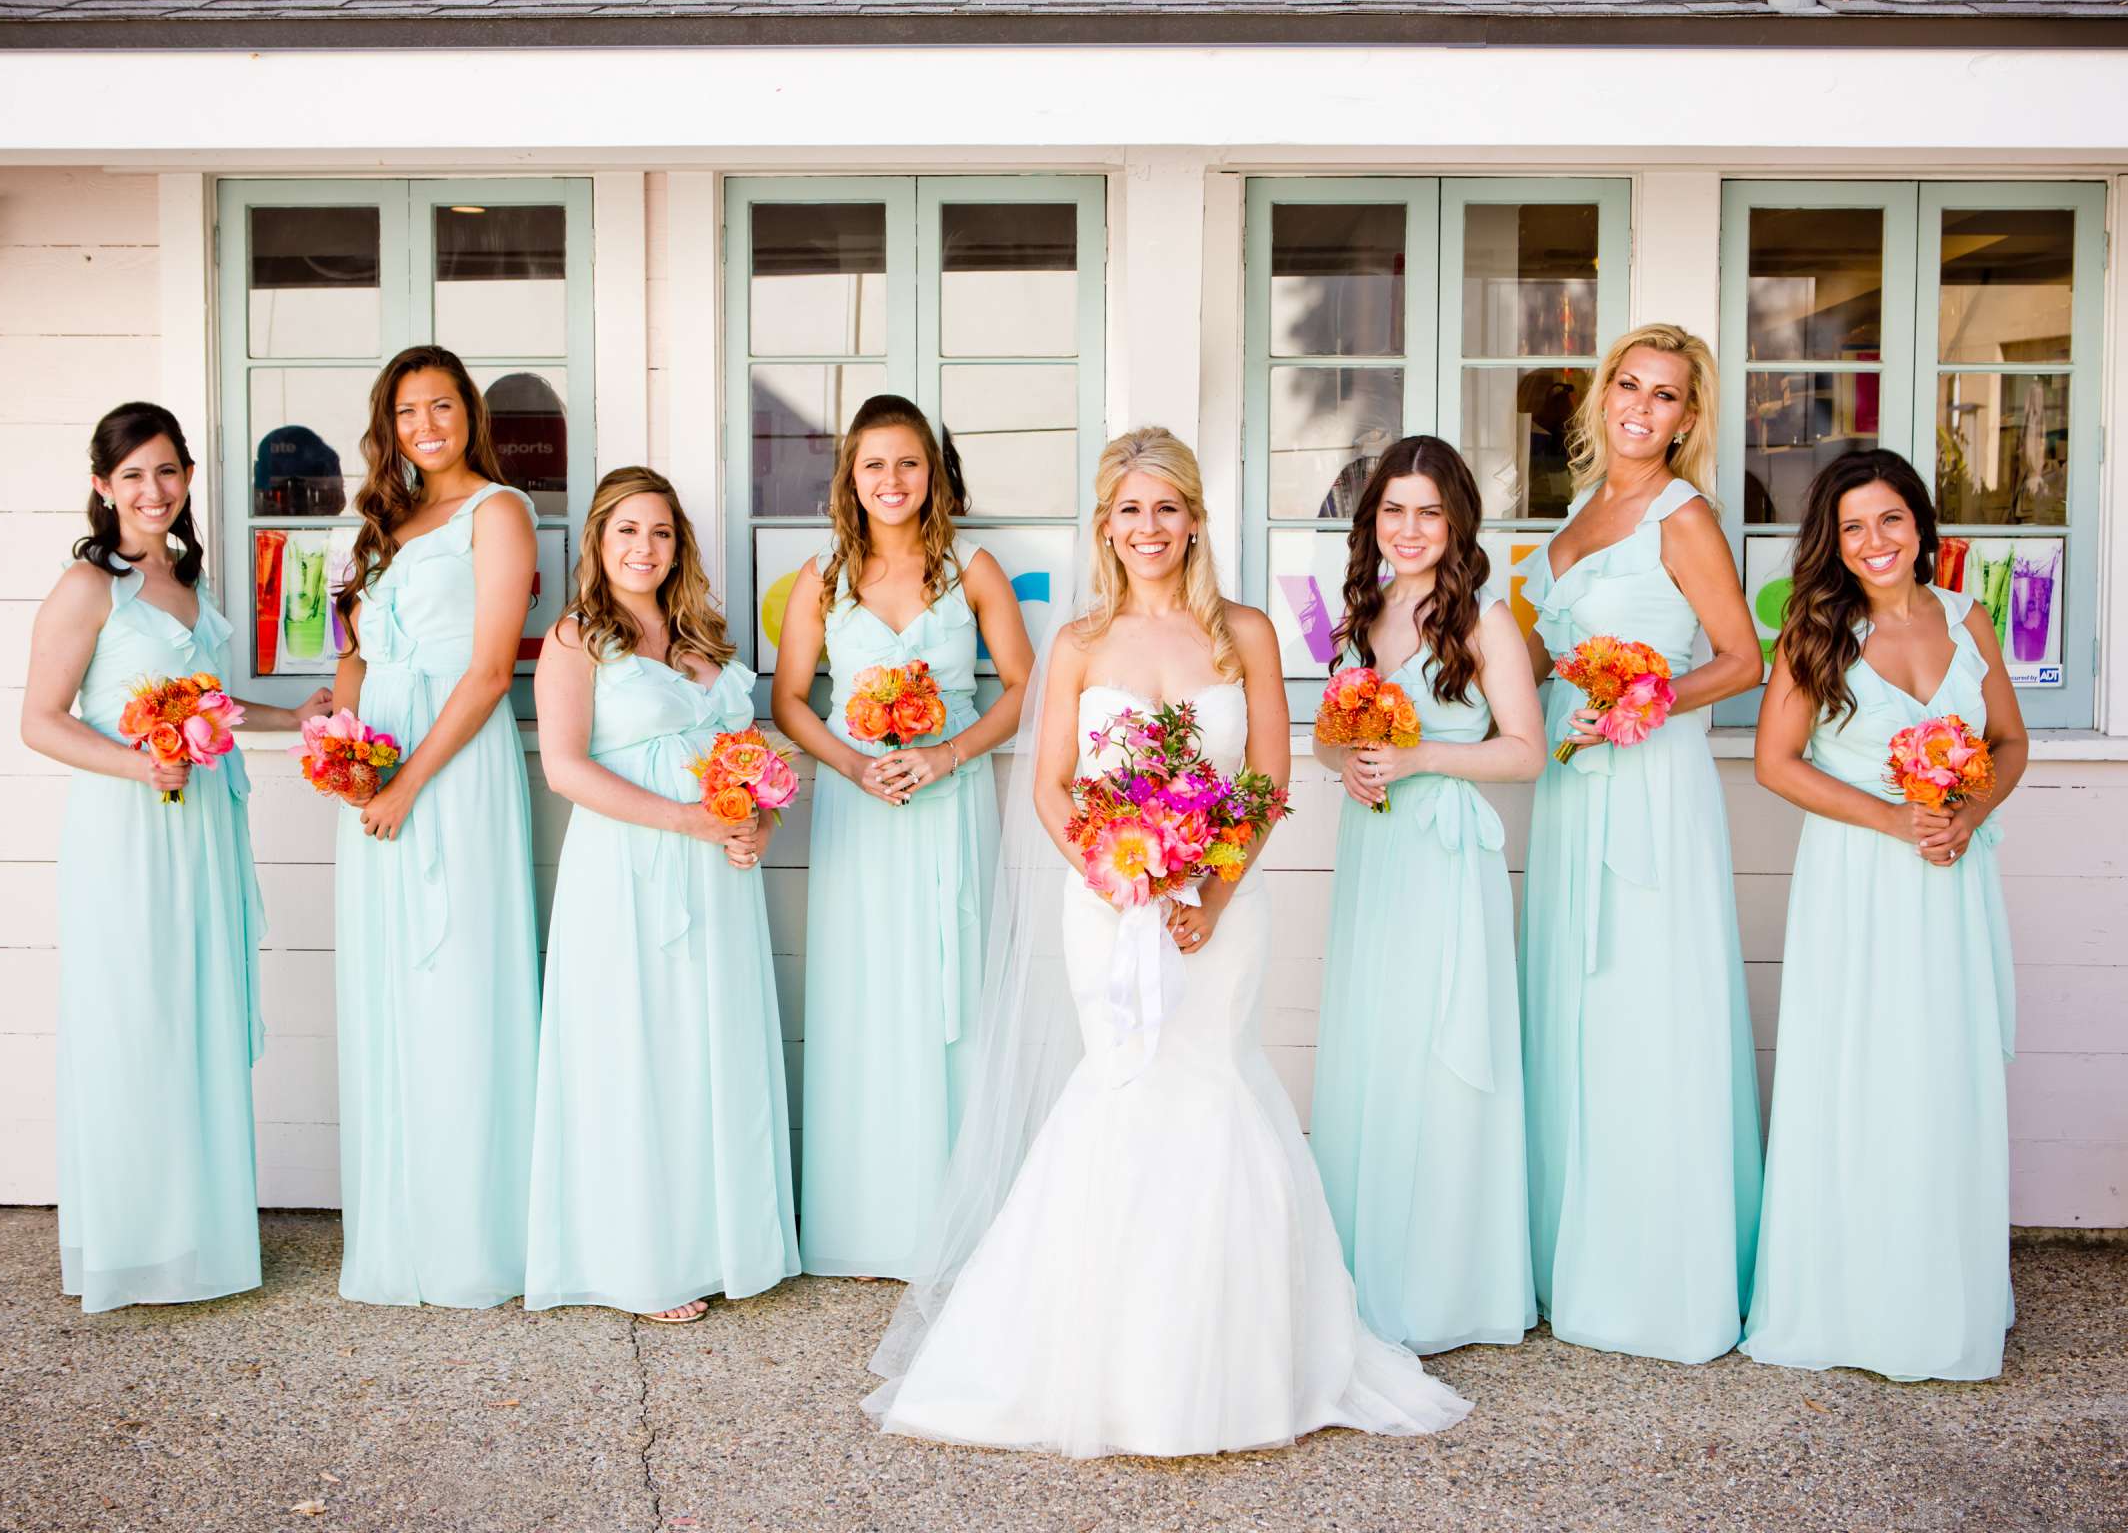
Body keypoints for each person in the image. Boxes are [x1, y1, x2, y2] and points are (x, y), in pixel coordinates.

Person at [864, 427, 1472, 1458]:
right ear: (1106, 524)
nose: (1149, 527)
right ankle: (1096, 1365)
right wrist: (1111, 873)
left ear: (1194, 517)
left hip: (1216, 908)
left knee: (1212, 1089)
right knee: (1122, 1089)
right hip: (1105, 907)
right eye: (1129, 510)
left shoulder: (1243, 632)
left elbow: (1271, 779)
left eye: (1167, 507)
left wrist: (1214, 894)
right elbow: (1052, 784)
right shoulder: (1082, 641)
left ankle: (1237, 1365)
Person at [20, 402, 328, 1312]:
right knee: (137, 1018)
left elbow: (214, 707)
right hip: (130, 832)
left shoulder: (184, 577)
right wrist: (132, 760)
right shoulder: (90, 589)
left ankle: (198, 1237)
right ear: (101, 488)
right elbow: (39, 720)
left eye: (166, 472)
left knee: (195, 1012)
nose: (152, 492)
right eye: (132, 477)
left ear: (187, 478)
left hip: (202, 830)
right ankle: (134, 1248)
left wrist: (295, 719)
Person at [1512, 323, 1766, 1365]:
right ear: (1602, 393)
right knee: (1578, 1006)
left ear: (1688, 419)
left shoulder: (1682, 515)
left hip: (1650, 790)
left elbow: (1744, 657)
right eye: (1630, 384)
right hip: (1574, 790)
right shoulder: (1582, 513)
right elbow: (1525, 655)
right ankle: (1576, 1252)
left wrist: (1646, 702)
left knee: (1644, 1006)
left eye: (1667, 395)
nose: (1642, 406)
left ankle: (1657, 1278)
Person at [1744, 449, 2026, 1382]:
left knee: (1941, 1070)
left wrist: (1966, 814)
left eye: (1892, 521)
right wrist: (1895, 818)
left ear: (1921, 526)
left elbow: (2008, 742)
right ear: (1833, 539)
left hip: (1950, 881)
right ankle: (1846, 1300)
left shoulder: (1969, 617)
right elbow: (1777, 763)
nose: (1875, 543)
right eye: (1854, 526)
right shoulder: (1815, 629)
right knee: (1859, 1069)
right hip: (1858, 882)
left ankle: (1940, 1296)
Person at [525, 468, 800, 1324]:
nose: (644, 549)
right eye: (627, 532)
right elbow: (566, 767)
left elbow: (754, 763)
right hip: (627, 872)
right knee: (633, 1051)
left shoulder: (706, 642)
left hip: (716, 873)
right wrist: (684, 820)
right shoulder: (577, 641)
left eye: (661, 533)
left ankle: (719, 1243)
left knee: (707, 1046)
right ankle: (637, 1260)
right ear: (598, 545)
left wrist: (757, 826)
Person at [774, 395, 1033, 1280]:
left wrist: (949, 753)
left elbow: (1026, 689)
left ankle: (960, 1220)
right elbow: (789, 703)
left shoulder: (973, 570)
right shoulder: (823, 576)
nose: (893, 480)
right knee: (867, 991)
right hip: (861, 807)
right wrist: (851, 765)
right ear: (851, 474)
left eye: (910, 463)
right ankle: (864, 1223)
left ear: (935, 473)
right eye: (875, 463)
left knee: (948, 989)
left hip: (948, 799)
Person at [1309, 436, 1547, 1355]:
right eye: (1392, 511)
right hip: (1375, 853)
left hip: (1447, 861)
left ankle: (1451, 1287)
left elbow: (1524, 752)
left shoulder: (1484, 625)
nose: (1408, 530)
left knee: (1443, 1053)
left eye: (1428, 513)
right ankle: (1370, 1277)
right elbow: (1332, 738)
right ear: (1372, 523)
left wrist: (1417, 761)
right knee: (1379, 1048)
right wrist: (1353, 768)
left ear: (1456, 525)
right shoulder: (1359, 614)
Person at [330, 345, 541, 1307]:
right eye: (408, 410)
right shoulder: (374, 526)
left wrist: (410, 782)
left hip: (450, 772)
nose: (427, 424)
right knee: (391, 988)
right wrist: (343, 745)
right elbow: (353, 660)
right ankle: (400, 1230)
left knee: (458, 978)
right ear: (391, 424)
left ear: (470, 415)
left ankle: (472, 1239)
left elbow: (493, 671)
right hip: (376, 773)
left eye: (443, 405)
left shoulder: (499, 513)